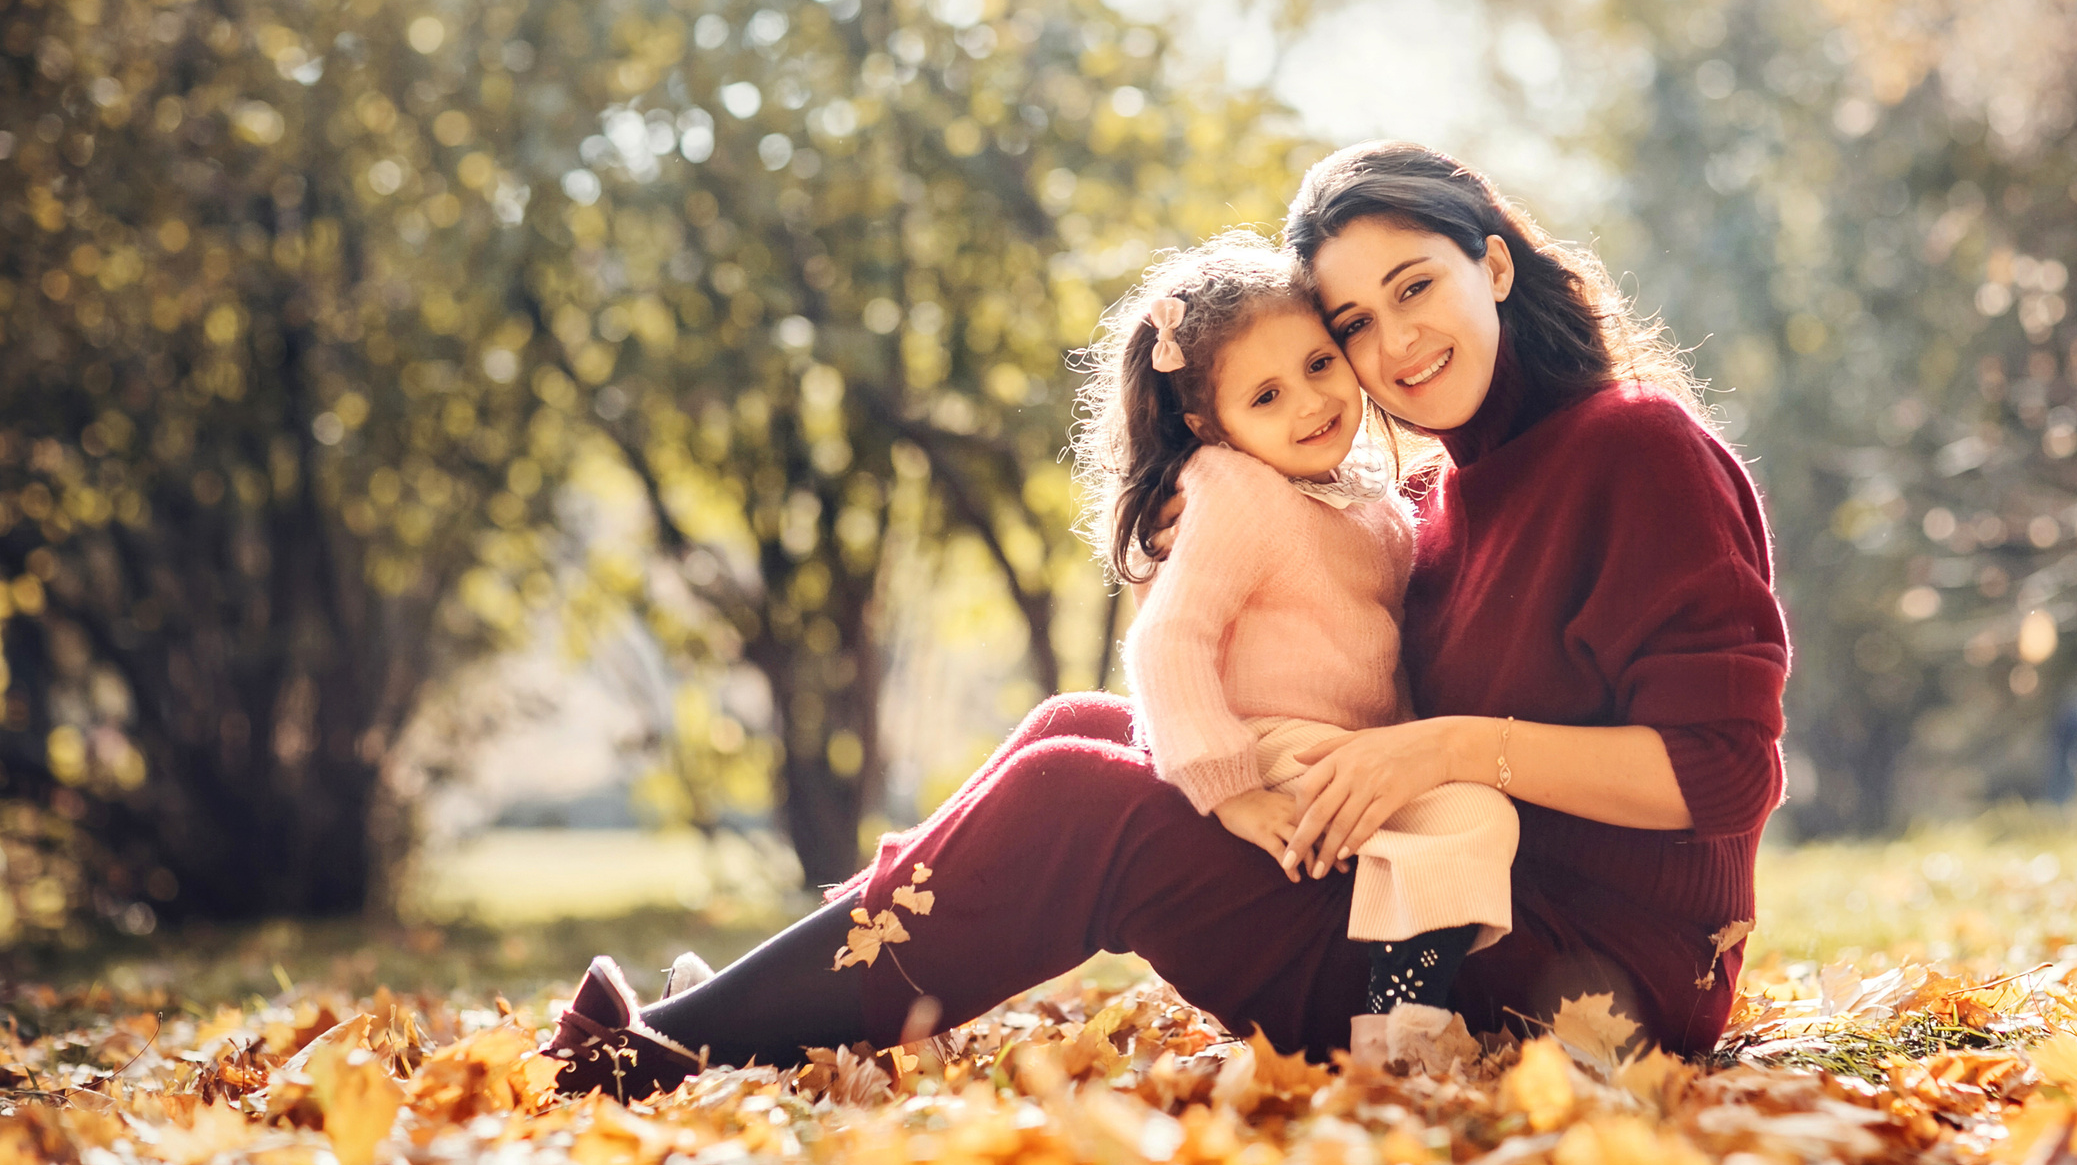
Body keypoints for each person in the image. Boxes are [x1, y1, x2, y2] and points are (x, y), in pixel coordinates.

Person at [540, 142, 1788, 1100]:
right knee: (1083, 725)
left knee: (1079, 801)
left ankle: (671, 1051)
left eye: (1417, 287)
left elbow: (1721, 776)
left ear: (1494, 266)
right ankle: (761, 1008)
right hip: (1428, 896)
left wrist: (1444, 748)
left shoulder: (1636, 448)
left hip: (1579, 979)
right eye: (1351, 322)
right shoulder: (1434, 498)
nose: (1392, 343)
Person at [1079, 230, 1516, 1065]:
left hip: (1347, 747)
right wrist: (1230, 789)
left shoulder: (1367, 495)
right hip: (1271, 746)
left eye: (1319, 365)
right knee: (1473, 815)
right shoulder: (1235, 487)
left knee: (1465, 812)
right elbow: (1168, 640)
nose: (1311, 404)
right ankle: (1399, 1035)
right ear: (1210, 424)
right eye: (1267, 396)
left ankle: (1393, 1016)